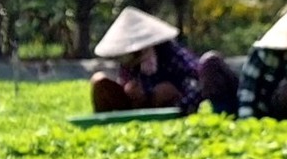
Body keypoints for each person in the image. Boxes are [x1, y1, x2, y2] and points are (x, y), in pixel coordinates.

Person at [88, 6, 237, 116]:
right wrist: (132, 90)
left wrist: (177, 105)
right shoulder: (127, 62)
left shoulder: (170, 52)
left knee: (163, 90)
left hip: (169, 106)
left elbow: (198, 80)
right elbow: (126, 86)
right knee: (99, 81)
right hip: (136, 108)